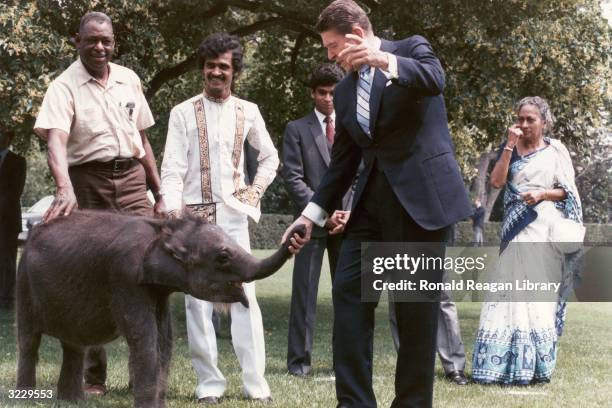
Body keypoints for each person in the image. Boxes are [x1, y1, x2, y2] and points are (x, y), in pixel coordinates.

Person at [282, 1, 472, 406]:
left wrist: (382, 59)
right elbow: (343, 163)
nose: (330, 56)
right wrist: (308, 217)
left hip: (421, 206)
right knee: (348, 298)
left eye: (333, 46)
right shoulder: (346, 90)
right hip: (368, 207)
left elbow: (434, 79)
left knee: (414, 316)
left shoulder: (410, 48)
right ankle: (354, 403)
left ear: (356, 34)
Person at [33, 11, 165, 396]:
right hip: (87, 183)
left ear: (114, 42)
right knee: (89, 277)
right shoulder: (63, 86)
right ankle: (92, 378)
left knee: (153, 271)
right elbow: (55, 140)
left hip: (132, 182)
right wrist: (64, 188)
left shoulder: (129, 79)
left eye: (105, 40)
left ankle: (150, 375)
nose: (99, 47)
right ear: (77, 41)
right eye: (91, 40)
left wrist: (159, 194)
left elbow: (142, 140)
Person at [160, 32, 278, 405]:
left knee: (246, 298)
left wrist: (252, 193)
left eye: (223, 67)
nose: (216, 72)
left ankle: (256, 385)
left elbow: (270, 157)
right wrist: (173, 216)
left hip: (234, 221)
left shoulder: (249, 111)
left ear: (234, 71)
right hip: (195, 225)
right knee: (198, 303)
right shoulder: (182, 112)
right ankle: (209, 384)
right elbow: (172, 170)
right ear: (202, 69)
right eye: (210, 66)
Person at [472, 96, 584, 385]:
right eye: (520, 118)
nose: (523, 124)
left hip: (544, 229)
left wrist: (543, 194)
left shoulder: (555, 151)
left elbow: (567, 192)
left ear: (544, 122)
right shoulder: (510, 148)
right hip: (516, 228)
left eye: (530, 119)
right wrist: (509, 145)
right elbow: (496, 182)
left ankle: (535, 366)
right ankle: (497, 366)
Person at [281, 63, 351, 377]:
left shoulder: (353, 127)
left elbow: (361, 175)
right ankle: (299, 363)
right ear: (312, 93)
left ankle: (345, 362)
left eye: (333, 93)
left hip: (348, 223)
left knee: (349, 296)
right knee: (303, 295)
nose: (327, 98)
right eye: (322, 92)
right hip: (311, 225)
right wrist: (323, 214)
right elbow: (294, 179)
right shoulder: (297, 129)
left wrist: (348, 213)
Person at [0, 126, 26, 310]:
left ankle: (8, 298)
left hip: (7, 219)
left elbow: (14, 192)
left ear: (9, 139)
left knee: (7, 259)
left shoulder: (18, 161)